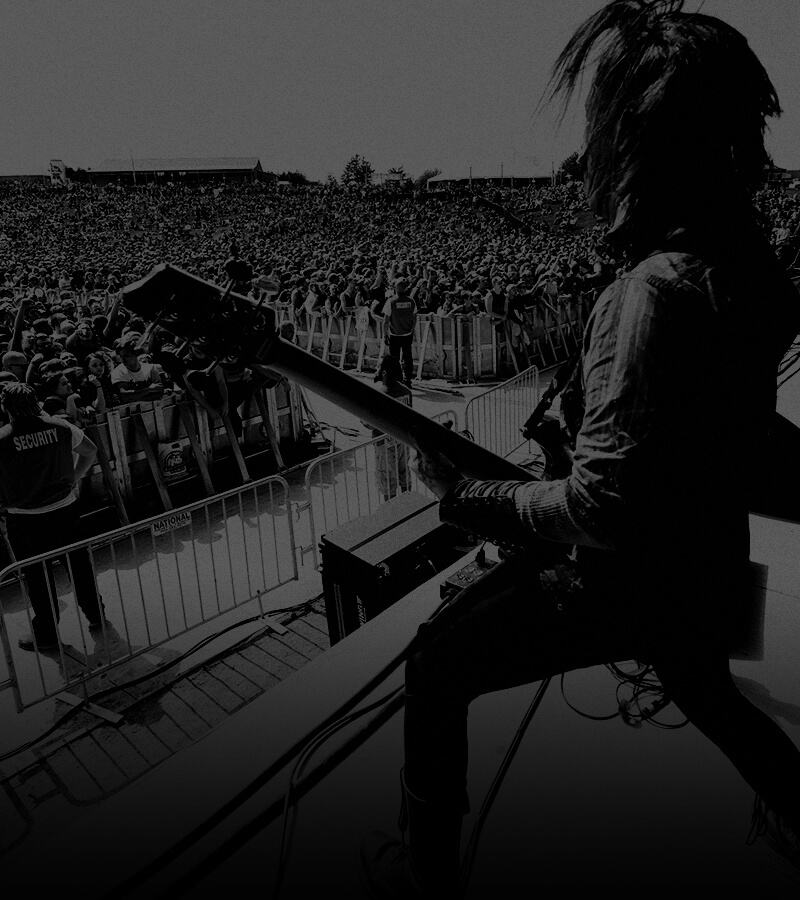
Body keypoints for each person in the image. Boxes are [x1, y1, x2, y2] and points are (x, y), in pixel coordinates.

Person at [359, 2, 800, 896]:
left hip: (631, 579)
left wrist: (465, 498)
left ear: (636, 144)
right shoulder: (749, 268)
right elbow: (734, 438)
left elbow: (603, 508)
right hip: (709, 561)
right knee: (705, 691)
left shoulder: (651, 293)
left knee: (437, 662)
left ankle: (426, 874)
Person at [0, 384, 104, 651]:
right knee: (80, 567)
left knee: (38, 579)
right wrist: (74, 478)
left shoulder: (2, 438)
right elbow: (90, 451)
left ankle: (46, 635)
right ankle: (97, 616)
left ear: (5, 407)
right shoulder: (60, 426)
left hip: (25, 520)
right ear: (35, 402)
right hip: (65, 510)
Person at [362, 354, 413, 503]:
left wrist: (362, 418)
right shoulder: (406, 392)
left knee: (387, 481)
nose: (376, 368)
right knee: (404, 474)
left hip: (384, 445)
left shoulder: (379, 395)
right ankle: (408, 506)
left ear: (384, 372)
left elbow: (371, 424)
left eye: (378, 366)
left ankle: (392, 512)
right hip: (403, 441)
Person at [382, 277, 417, 386]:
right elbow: (414, 319)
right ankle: (408, 380)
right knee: (408, 357)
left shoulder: (391, 301)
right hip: (407, 334)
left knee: (394, 358)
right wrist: (412, 331)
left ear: (395, 288)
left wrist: (385, 335)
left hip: (395, 334)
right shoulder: (412, 301)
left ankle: (396, 379)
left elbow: (386, 321)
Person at [110, 336, 165, 404]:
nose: (123, 359)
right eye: (121, 356)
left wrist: (135, 397)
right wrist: (149, 389)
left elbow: (159, 392)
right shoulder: (118, 372)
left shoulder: (150, 368)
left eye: (126, 356)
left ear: (135, 354)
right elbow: (124, 396)